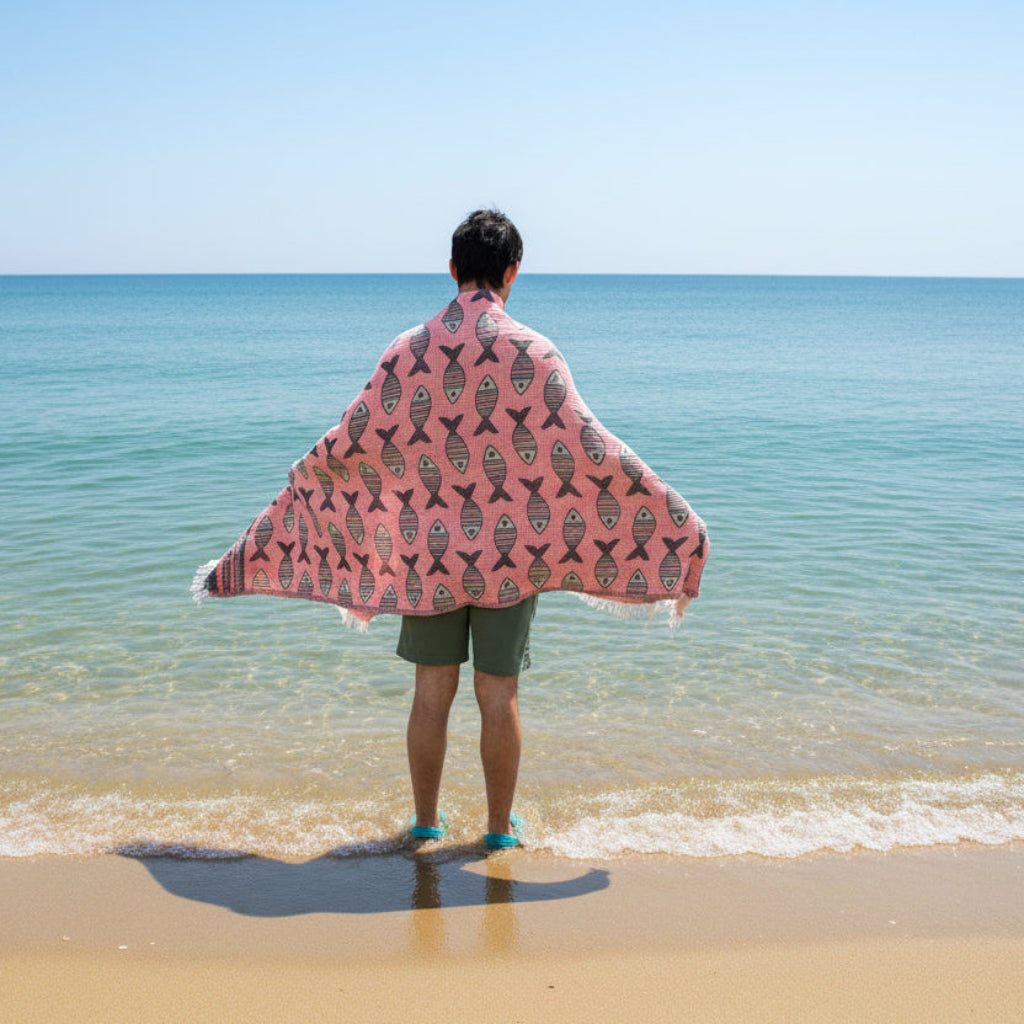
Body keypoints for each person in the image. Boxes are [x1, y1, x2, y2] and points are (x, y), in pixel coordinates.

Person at [195, 209, 708, 852]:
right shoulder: (536, 354)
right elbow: (591, 451)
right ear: (512, 273)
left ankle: (427, 822)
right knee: (500, 694)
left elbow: (354, 442)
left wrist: (304, 480)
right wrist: (674, 519)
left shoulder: (407, 352)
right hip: (508, 557)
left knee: (431, 690)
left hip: (426, 552)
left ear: (452, 269)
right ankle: (497, 831)